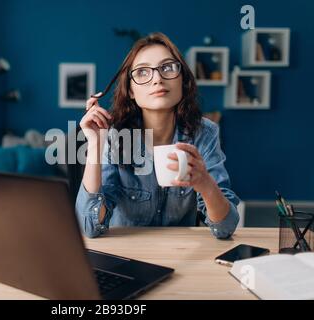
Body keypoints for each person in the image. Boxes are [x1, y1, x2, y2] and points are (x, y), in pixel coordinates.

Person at [75, 32, 240, 239]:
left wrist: (205, 183)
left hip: (181, 255)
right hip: (127, 255)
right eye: (143, 72)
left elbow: (226, 227)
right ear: (131, 90)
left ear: (183, 81)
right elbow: (89, 227)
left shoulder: (204, 133)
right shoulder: (114, 136)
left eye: (167, 68)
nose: (157, 78)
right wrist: (95, 146)